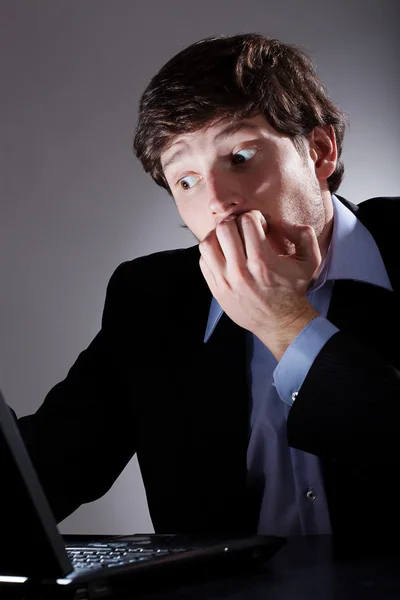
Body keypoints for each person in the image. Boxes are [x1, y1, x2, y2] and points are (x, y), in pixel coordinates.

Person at [5, 33, 400, 542]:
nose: (218, 201)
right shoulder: (150, 298)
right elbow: (45, 476)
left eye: (239, 157)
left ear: (320, 152)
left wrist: (285, 323)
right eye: (186, 180)